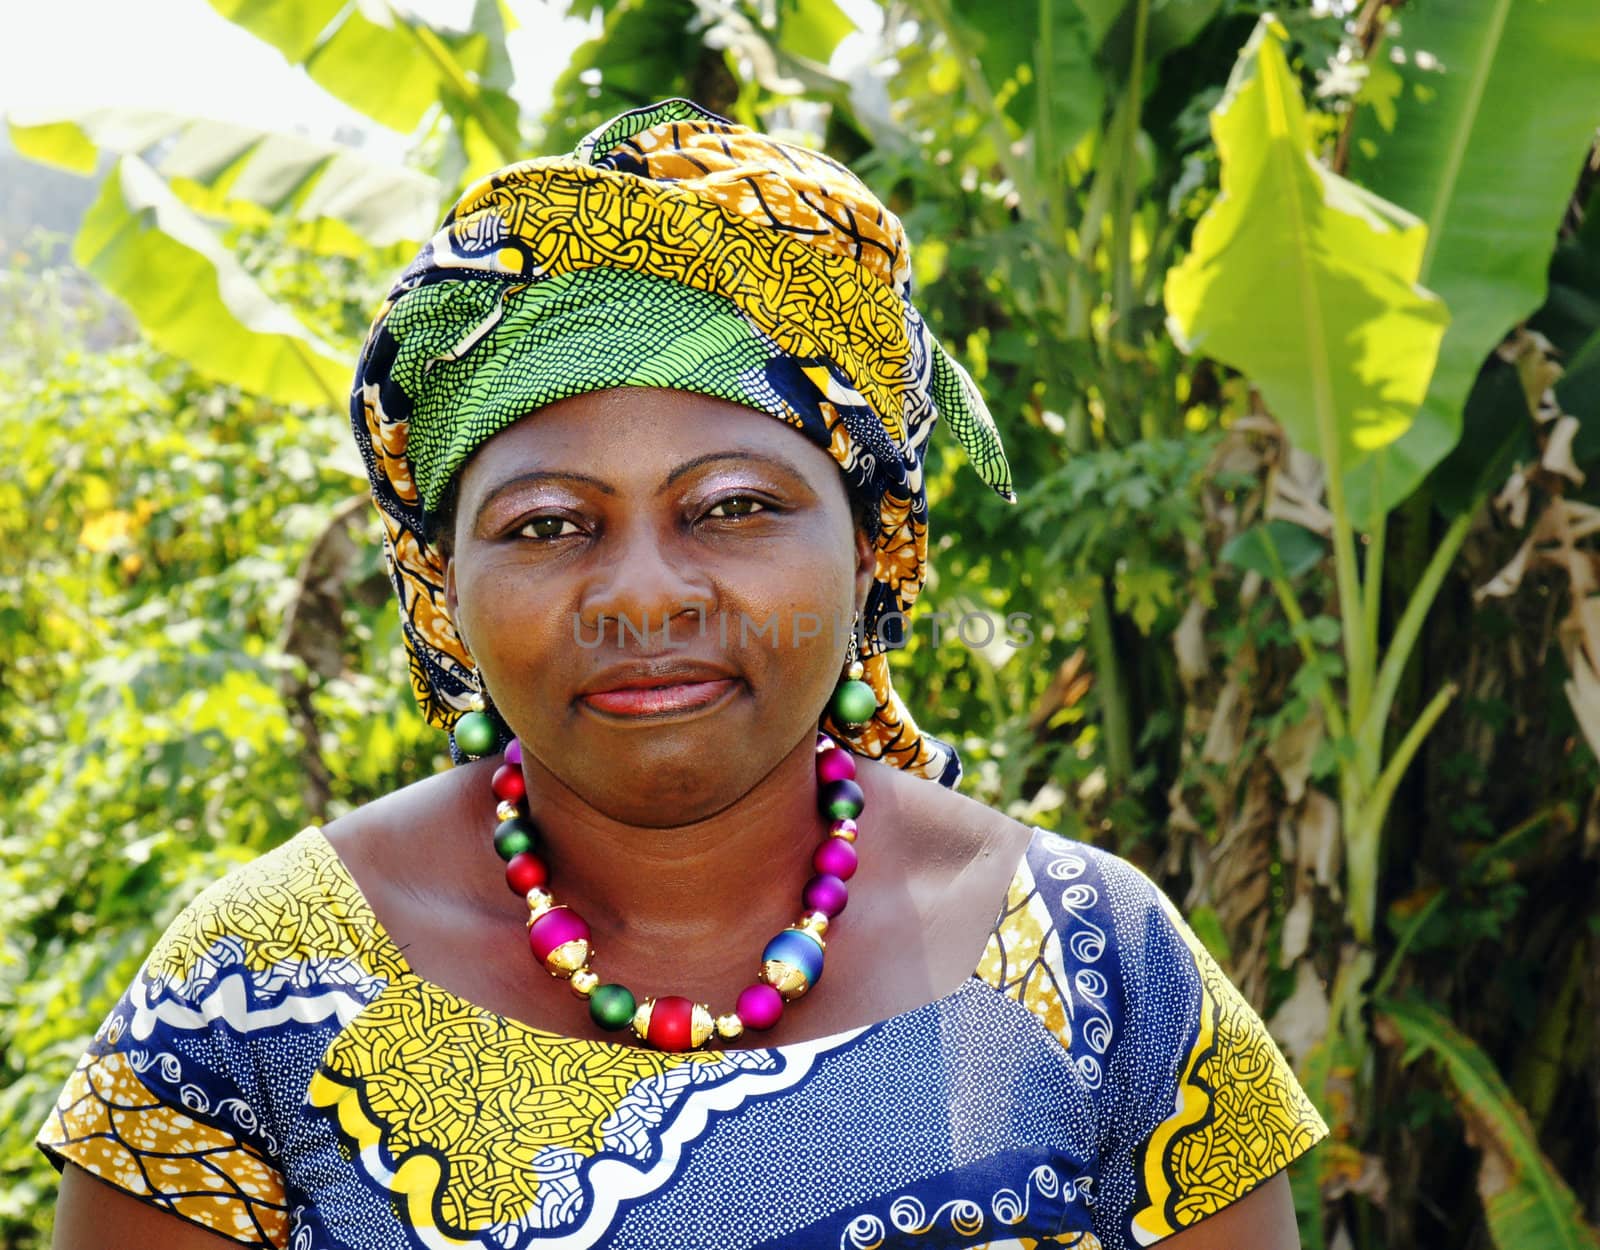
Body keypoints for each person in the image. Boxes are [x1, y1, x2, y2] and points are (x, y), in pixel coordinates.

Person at [39, 98, 1326, 1250]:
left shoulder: (1097, 962)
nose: (646, 592)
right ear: (442, 588)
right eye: (548, 523)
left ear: (870, 545)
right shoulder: (244, 1001)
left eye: (732, 506)